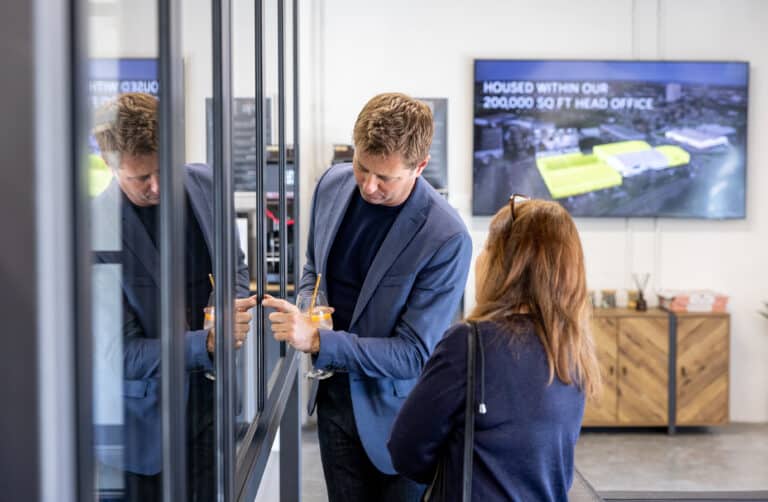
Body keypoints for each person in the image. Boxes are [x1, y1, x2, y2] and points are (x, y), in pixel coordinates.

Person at [263, 92, 472, 501]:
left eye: (385, 178)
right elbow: (312, 269)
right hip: (332, 403)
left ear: (420, 167)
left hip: (398, 420)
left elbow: (413, 353)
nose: (368, 186)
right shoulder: (331, 184)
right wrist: (309, 306)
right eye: (362, 166)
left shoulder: (446, 237)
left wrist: (320, 340)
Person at [91, 92, 256, 501]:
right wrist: (207, 342)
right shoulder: (92, 231)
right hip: (139, 438)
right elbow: (122, 355)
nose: (157, 186)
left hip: (209, 413)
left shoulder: (205, 183)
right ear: (111, 168)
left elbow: (234, 266)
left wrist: (227, 309)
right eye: (141, 177)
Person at [388, 197, 601, 501]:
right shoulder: (572, 348)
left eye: (488, 246)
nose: (480, 257)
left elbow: (406, 450)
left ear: (509, 266)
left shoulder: (468, 343)